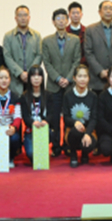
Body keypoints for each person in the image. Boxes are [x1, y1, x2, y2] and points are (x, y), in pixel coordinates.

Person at [43, 8, 81, 156]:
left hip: (70, 85)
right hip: (53, 85)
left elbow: (76, 60)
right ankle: (56, 146)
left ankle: (68, 144)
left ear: (67, 21)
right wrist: (58, 78)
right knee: (54, 117)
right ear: (53, 22)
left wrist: (69, 78)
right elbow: (46, 62)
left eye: (63, 18)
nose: (61, 21)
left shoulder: (75, 39)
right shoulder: (46, 41)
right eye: (58, 18)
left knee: (68, 117)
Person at [2, 5, 42, 99]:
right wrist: (20, 73)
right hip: (15, 79)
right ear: (15, 18)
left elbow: (39, 55)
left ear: (29, 17)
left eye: (25, 15)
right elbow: (7, 56)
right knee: (16, 104)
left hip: (32, 79)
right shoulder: (8, 36)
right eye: (20, 15)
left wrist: (30, 73)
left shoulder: (36, 35)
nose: (23, 18)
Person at [63, 64, 98, 167]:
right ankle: (73, 154)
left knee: (90, 143)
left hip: (88, 130)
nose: (82, 79)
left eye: (85, 76)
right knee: (75, 132)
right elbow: (65, 118)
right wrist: (75, 123)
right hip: (73, 130)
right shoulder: (68, 95)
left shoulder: (93, 96)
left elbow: (94, 118)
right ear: (74, 78)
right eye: (80, 76)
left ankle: (85, 153)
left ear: (89, 78)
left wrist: (87, 133)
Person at [20, 66, 49, 164]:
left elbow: (51, 114)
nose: (36, 78)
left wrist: (46, 121)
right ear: (29, 78)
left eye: (39, 75)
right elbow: (25, 117)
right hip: (31, 130)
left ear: (42, 78)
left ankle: (43, 147)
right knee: (31, 154)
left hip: (44, 129)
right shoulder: (24, 96)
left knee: (50, 133)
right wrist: (32, 123)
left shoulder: (48, 95)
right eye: (33, 75)